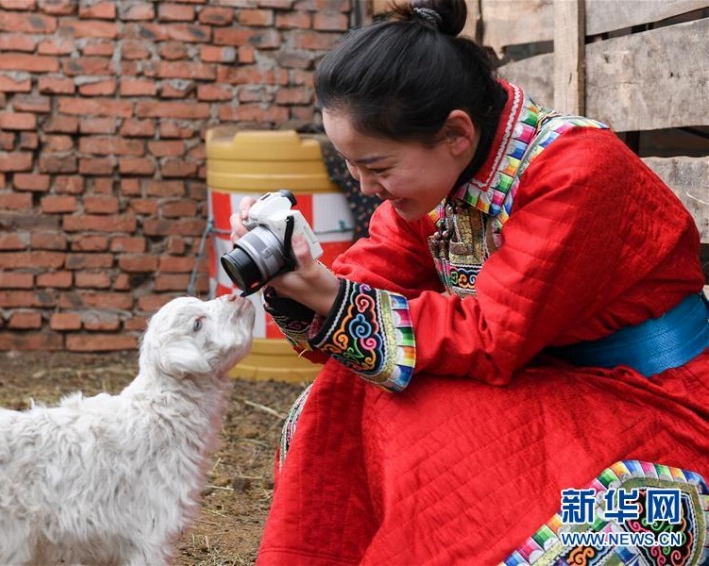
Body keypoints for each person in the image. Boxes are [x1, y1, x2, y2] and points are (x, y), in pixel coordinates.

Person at [229, 1, 709, 564]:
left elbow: (490, 335)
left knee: (588, 540)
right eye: (351, 165)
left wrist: (333, 298)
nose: (365, 188)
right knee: (341, 396)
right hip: (543, 389)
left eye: (379, 168)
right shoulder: (441, 183)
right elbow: (370, 278)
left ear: (457, 132)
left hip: (653, 409)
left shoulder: (577, 173)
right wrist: (299, 274)